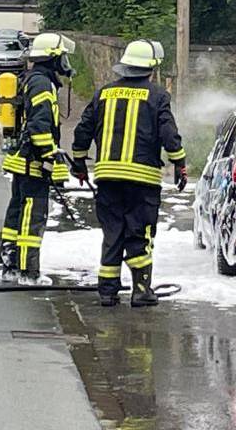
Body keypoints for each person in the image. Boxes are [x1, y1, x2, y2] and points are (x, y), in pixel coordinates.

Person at [72, 40, 187, 308]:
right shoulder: (157, 96)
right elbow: (169, 134)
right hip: (142, 180)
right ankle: (141, 290)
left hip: (107, 178)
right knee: (139, 233)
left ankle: (107, 292)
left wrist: (79, 163)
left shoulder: (103, 93)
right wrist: (179, 163)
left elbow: (82, 131)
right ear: (150, 69)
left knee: (112, 232)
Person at [0, 32, 77, 285]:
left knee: (17, 214)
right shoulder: (43, 84)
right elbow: (40, 124)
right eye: (62, 57)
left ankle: (10, 267)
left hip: (21, 159)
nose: (65, 62)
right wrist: (49, 155)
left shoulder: (30, 79)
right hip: (34, 162)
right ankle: (28, 272)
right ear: (53, 59)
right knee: (33, 217)